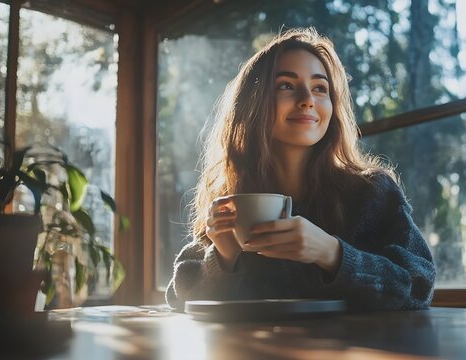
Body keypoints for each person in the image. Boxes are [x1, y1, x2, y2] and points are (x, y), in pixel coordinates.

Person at [166, 27, 435, 311]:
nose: (307, 98)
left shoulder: (374, 194)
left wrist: (332, 253)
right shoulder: (235, 201)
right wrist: (223, 257)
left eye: (320, 88)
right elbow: (178, 297)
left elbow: (419, 285)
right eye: (286, 85)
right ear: (252, 104)